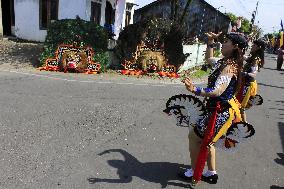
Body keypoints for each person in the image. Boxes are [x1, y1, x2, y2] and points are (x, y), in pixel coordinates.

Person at [178, 32, 248, 185]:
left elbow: (217, 91)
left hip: (219, 111)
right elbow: (208, 59)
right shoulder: (224, 62)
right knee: (207, 142)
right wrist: (210, 41)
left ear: (235, 46)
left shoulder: (229, 67)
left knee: (194, 137)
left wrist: (195, 90)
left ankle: (194, 170)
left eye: (227, 41)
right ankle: (211, 173)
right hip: (218, 109)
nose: (222, 44)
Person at [237, 39, 265, 122]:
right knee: (237, 104)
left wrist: (243, 73)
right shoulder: (253, 57)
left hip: (248, 85)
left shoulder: (256, 59)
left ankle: (245, 125)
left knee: (241, 107)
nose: (252, 47)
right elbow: (246, 58)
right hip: (244, 83)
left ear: (258, 47)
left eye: (254, 45)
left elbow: (254, 74)